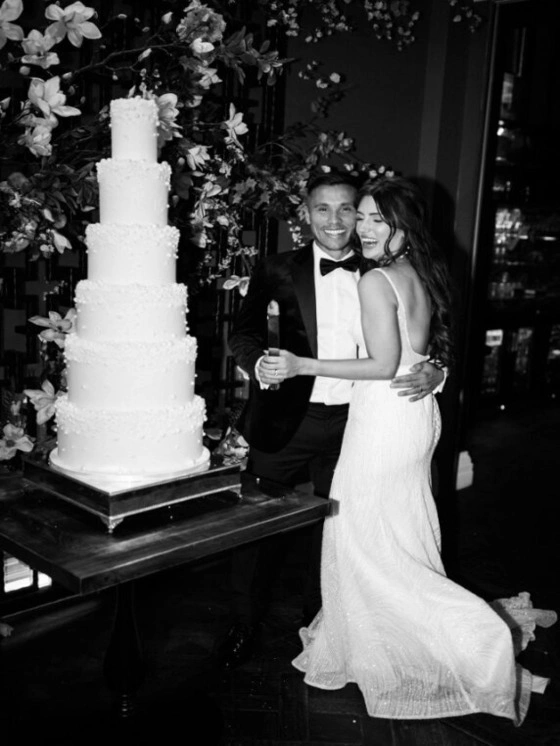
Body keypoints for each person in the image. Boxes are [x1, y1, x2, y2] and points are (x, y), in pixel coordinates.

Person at [264, 175, 546, 724]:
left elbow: (383, 365)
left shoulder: (376, 281)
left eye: (376, 219)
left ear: (403, 227)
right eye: (361, 217)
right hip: (413, 418)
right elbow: (428, 352)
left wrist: (303, 364)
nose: (363, 229)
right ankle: (383, 639)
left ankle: (480, 638)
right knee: (396, 536)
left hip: (385, 422)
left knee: (368, 541)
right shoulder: (422, 272)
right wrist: (436, 370)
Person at [216, 170, 445, 669]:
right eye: (324, 209)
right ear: (306, 213)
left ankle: (326, 626)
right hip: (286, 421)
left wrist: (436, 369)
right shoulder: (277, 268)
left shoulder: (383, 262)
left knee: (341, 532)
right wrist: (259, 364)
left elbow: (429, 332)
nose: (339, 221)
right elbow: (243, 333)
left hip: (360, 425)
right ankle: (244, 622)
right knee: (257, 531)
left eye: (350, 210)